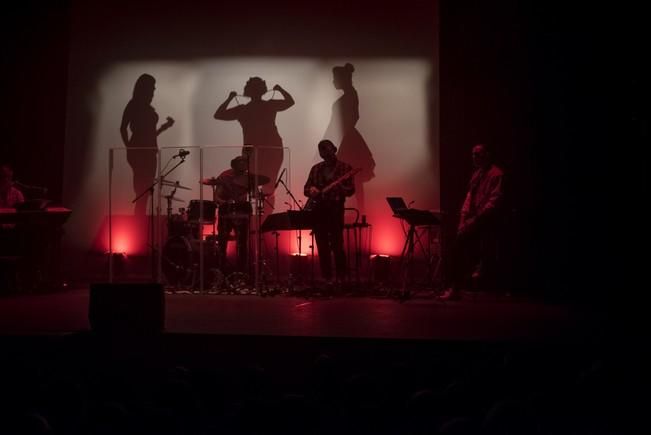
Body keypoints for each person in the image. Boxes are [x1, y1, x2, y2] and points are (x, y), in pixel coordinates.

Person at [214, 78, 294, 216]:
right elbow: (290, 102)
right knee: (254, 185)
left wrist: (229, 99)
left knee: (261, 185)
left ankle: (261, 218)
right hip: (259, 150)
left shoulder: (244, 109)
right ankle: (253, 218)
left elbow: (219, 114)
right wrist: (280, 89)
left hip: (268, 149)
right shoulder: (266, 105)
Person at [440, 144, 505, 300]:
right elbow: (469, 198)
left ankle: (461, 285)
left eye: (478, 154)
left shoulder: (496, 174)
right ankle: (457, 286)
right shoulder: (476, 174)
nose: (475, 157)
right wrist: (463, 219)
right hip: (475, 220)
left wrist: (474, 220)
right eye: (473, 154)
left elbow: (493, 202)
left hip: (488, 220)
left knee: (465, 248)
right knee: (456, 246)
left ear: (487, 155)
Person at [120, 73, 175, 216]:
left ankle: (140, 220)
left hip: (150, 151)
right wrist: (130, 148)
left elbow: (150, 134)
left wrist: (165, 127)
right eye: (152, 88)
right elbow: (123, 128)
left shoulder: (146, 106)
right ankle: (138, 222)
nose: (153, 91)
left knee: (146, 190)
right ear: (144, 88)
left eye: (154, 88)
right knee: (142, 191)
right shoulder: (134, 104)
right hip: (139, 153)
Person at [324, 63, 375, 213]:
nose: (333, 81)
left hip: (349, 140)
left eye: (335, 78)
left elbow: (354, 116)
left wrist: (344, 134)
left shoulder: (351, 94)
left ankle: (359, 211)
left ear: (343, 79)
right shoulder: (349, 95)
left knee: (351, 176)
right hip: (345, 138)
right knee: (346, 176)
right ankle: (347, 209)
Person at [304, 140, 355, 286]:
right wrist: (311, 191)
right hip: (318, 211)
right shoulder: (315, 169)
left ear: (334, 149)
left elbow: (351, 190)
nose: (324, 153)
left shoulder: (345, 168)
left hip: (335, 209)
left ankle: (341, 277)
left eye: (327, 150)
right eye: (321, 151)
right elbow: (306, 189)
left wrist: (339, 187)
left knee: (337, 244)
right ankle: (327, 278)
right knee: (322, 245)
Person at [206, 156, 253, 273]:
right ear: (234, 165)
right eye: (241, 163)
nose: (244, 166)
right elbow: (216, 197)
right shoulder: (225, 176)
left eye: (245, 163)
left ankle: (242, 272)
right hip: (226, 211)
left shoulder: (248, 177)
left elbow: (254, 194)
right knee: (222, 241)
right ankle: (221, 271)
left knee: (243, 243)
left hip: (241, 211)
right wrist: (225, 202)